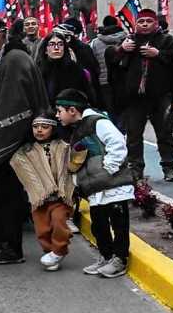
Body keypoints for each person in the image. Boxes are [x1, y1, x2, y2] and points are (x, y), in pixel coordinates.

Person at [0, 14, 49, 265]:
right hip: (4, 141)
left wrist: (1, 139)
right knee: (0, 194)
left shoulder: (14, 60)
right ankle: (0, 239)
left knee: (9, 196)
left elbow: (15, 106)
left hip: (13, 142)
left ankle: (11, 247)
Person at [55, 89, 134, 278]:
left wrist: (108, 170)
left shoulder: (98, 122)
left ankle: (119, 259)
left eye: (59, 111)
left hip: (114, 186)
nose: (57, 115)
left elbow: (117, 144)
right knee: (99, 225)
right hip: (96, 188)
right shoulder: (77, 129)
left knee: (119, 223)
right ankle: (106, 257)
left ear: (72, 110)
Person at [108, 8, 173, 181]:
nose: (145, 24)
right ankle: (135, 168)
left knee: (164, 133)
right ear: (135, 24)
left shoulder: (167, 40)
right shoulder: (128, 41)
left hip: (161, 96)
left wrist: (159, 54)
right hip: (134, 98)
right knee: (133, 135)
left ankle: (169, 168)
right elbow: (112, 61)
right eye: (141, 21)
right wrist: (122, 50)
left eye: (149, 21)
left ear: (155, 24)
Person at [8, 111, 75, 272]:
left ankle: (59, 250)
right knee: (42, 230)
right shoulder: (25, 152)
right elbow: (20, 167)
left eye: (44, 127)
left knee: (59, 223)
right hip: (39, 198)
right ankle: (50, 253)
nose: (39, 130)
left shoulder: (63, 147)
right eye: (36, 127)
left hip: (60, 197)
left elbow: (70, 168)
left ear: (53, 128)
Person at [36, 31, 95, 104]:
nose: (56, 48)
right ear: (45, 50)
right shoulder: (38, 71)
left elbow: (87, 95)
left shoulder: (75, 69)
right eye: (52, 44)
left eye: (60, 44)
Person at [91, 16, 127, 115]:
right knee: (123, 110)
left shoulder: (95, 43)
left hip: (104, 81)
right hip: (123, 79)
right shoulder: (127, 40)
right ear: (116, 24)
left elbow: (93, 62)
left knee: (109, 110)